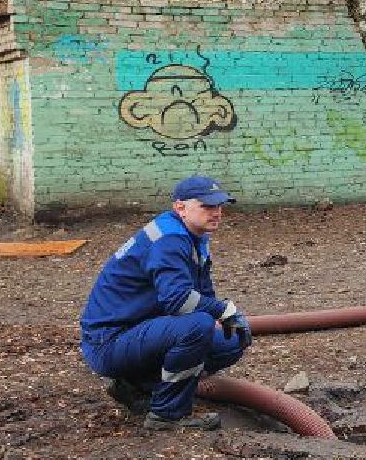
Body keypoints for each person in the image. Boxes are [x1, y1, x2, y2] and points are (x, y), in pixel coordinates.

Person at [79, 175, 251, 432]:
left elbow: (202, 290)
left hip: (139, 331)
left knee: (233, 338)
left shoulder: (194, 235)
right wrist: (223, 310)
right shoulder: (170, 239)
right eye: (207, 206)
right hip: (109, 341)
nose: (216, 213)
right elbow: (179, 301)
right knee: (198, 326)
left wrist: (229, 317)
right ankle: (167, 414)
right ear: (180, 207)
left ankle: (139, 388)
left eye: (219, 206)